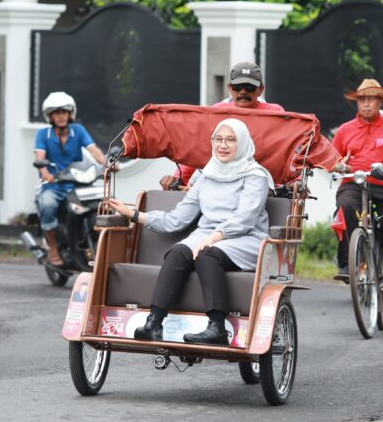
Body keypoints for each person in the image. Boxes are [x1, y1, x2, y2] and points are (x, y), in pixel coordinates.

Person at [110, 118, 273, 345]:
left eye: (231, 140)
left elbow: (245, 218)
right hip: (208, 235)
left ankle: (217, 328)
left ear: (243, 143)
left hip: (246, 237)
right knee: (177, 252)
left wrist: (213, 238)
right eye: (218, 139)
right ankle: (154, 323)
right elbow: (177, 218)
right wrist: (134, 215)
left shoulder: (256, 175)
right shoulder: (207, 174)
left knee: (207, 253)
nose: (223, 145)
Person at [331, 79, 383, 277]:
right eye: (362, 99)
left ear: (380, 103)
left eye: (371, 99)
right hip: (355, 182)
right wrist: (340, 165)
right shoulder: (345, 130)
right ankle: (349, 261)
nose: (366, 103)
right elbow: (331, 158)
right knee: (345, 205)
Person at [159, 62, 284, 190]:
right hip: (218, 182)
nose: (243, 92)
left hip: (259, 183)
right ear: (230, 88)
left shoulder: (274, 113)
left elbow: (286, 150)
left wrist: (294, 180)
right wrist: (178, 179)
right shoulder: (217, 111)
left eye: (249, 87)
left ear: (261, 90)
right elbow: (198, 147)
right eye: (237, 87)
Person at [34, 91, 110, 266]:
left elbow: (94, 150)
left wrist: (108, 163)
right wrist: (45, 173)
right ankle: (53, 248)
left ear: (70, 114)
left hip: (77, 183)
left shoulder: (78, 130)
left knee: (101, 203)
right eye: (56, 113)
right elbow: (40, 156)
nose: (60, 116)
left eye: (64, 112)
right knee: (47, 204)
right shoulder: (43, 134)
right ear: (50, 116)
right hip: (54, 185)